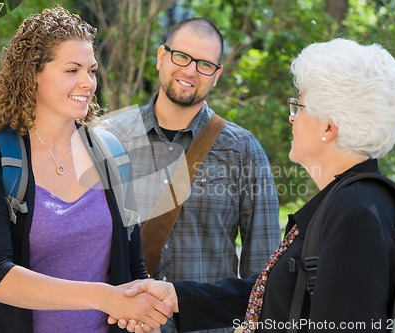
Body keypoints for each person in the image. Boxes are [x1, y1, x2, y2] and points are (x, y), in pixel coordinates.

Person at [113, 38, 395, 332]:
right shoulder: (350, 202)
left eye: (299, 106)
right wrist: (178, 297)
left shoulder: (357, 212)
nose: (292, 118)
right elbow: (274, 293)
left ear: (328, 127)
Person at [0, 6, 171, 333]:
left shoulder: (112, 154)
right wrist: (103, 297)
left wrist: (140, 311)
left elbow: (131, 264)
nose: (87, 83)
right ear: (33, 74)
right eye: (72, 70)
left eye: (91, 70)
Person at [106, 17, 281, 333]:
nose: (190, 71)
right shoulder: (111, 139)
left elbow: (265, 275)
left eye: (205, 64)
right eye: (182, 57)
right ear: (161, 56)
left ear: (217, 76)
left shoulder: (242, 150)